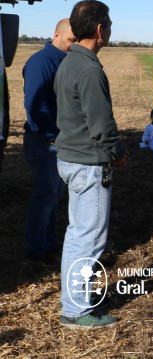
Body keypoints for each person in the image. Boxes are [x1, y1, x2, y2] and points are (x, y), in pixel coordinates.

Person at [55, 0, 128, 328]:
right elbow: (102, 127)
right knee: (90, 238)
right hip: (88, 163)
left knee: (77, 234)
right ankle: (77, 308)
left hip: (70, 159)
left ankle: (72, 300)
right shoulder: (89, 69)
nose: (110, 28)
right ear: (100, 30)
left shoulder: (69, 62)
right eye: (109, 23)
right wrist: (119, 152)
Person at [23, 18, 76, 262]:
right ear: (56, 35)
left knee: (55, 194)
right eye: (70, 41)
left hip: (59, 140)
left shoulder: (65, 60)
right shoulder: (40, 62)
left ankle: (49, 240)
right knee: (45, 195)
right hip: (45, 140)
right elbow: (35, 105)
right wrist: (53, 135)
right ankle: (37, 249)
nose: (73, 45)